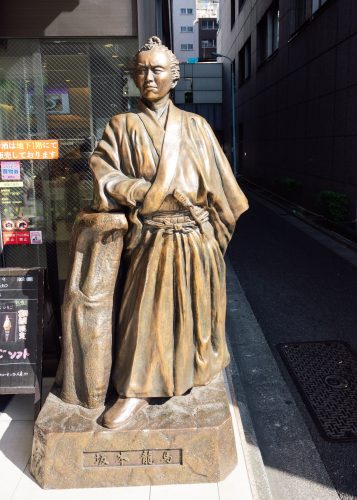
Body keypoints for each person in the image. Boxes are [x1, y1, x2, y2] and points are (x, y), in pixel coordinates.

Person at [59, 36, 248, 428]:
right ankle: (136, 390)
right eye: (141, 69)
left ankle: (190, 376)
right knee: (143, 316)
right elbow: (102, 171)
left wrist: (213, 238)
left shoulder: (196, 126)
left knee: (193, 316)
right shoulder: (122, 125)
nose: (148, 76)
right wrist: (142, 191)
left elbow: (227, 195)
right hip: (151, 238)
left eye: (157, 69)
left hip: (195, 237)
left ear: (174, 77)